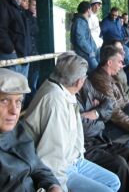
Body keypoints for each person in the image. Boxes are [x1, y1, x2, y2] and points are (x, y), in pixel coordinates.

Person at [24, 53, 120, 192]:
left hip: (74, 160)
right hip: (61, 167)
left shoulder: (62, 89)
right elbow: (51, 160)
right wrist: (59, 187)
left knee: (113, 182)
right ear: (79, 82)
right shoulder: (54, 101)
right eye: (85, 78)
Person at [78, 79, 129, 192]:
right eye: (81, 76)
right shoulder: (67, 96)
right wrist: (101, 115)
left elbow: (109, 102)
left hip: (99, 138)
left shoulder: (86, 83)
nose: (83, 78)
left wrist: (96, 113)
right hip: (84, 146)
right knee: (119, 163)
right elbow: (83, 127)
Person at [70, 1, 98, 70]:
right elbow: (80, 40)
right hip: (86, 55)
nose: (91, 11)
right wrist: (90, 51)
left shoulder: (81, 21)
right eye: (91, 9)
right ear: (88, 10)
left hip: (87, 54)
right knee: (98, 73)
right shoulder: (80, 21)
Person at [25, 0, 40, 108]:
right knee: (30, 84)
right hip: (29, 56)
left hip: (36, 56)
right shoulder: (26, 18)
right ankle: (32, 107)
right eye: (33, 5)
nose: (35, 8)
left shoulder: (34, 19)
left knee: (33, 83)